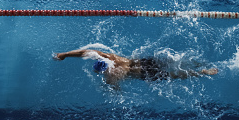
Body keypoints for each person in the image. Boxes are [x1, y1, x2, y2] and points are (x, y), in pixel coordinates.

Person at [53, 49, 218, 87]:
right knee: (174, 61)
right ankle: (198, 65)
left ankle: (202, 73)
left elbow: (115, 91)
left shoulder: (110, 75)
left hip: (144, 74)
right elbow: (86, 52)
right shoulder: (111, 57)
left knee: (175, 76)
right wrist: (65, 54)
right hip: (145, 62)